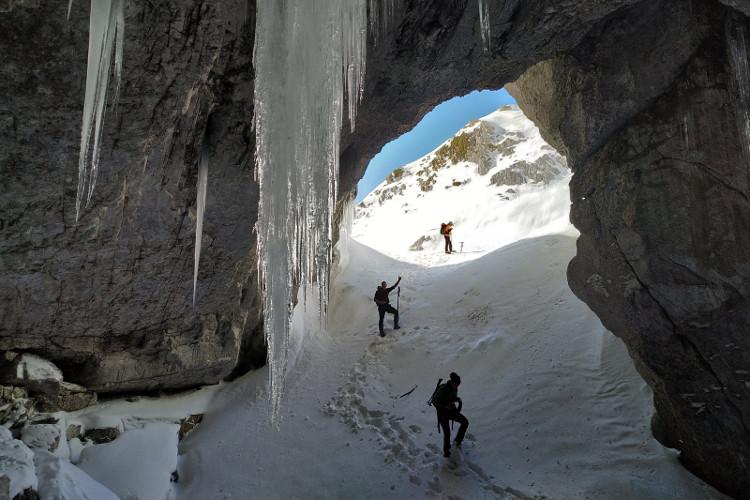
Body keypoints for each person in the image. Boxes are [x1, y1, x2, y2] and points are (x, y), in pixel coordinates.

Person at [431, 372, 469, 457]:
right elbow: (434, 401)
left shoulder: (454, 388)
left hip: (452, 411)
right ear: (452, 382)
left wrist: (457, 399)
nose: (457, 386)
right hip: (442, 414)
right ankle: (447, 453)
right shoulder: (443, 388)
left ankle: (457, 442)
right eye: (456, 384)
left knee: (465, 422)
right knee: (447, 433)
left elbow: (452, 398)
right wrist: (445, 406)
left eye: (458, 385)